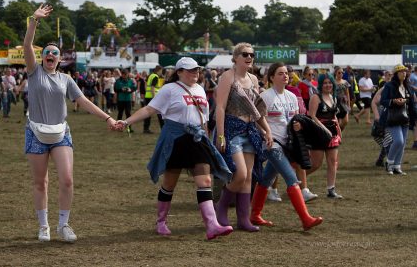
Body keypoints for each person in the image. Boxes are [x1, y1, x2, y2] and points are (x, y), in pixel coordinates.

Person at [24, 4, 116, 243]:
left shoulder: (66, 79)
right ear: (42, 57)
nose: (51, 55)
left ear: (60, 59)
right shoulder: (34, 72)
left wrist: (107, 117)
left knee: (66, 179)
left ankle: (63, 225)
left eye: (55, 53)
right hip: (35, 132)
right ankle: (43, 226)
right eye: (47, 52)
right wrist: (34, 19)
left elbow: (82, 101)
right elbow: (26, 46)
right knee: (40, 182)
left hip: (61, 133)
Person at [115, 57, 233, 240]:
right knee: (169, 183)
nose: (195, 73)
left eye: (197, 70)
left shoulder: (201, 89)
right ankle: (161, 222)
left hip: (197, 139)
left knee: (205, 181)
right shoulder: (169, 89)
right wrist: (126, 121)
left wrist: (208, 137)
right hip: (176, 139)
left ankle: (212, 225)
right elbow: (149, 110)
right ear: (179, 72)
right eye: (190, 70)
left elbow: (204, 117)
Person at [250, 62, 323, 231]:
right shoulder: (265, 96)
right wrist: (265, 134)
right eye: (281, 73)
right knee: (291, 178)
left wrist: (298, 125)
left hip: (287, 144)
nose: (286, 76)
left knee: (266, 179)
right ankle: (306, 219)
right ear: (271, 77)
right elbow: (256, 120)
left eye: (286, 73)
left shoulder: (291, 96)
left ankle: (254, 215)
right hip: (271, 144)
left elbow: (296, 119)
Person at [214, 43, 273, 232]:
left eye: (252, 55)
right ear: (236, 57)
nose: (249, 57)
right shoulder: (227, 77)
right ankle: (221, 207)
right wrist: (221, 135)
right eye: (245, 54)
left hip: (250, 130)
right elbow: (220, 108)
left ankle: (243, 219)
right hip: (232, 129)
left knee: (248, 179)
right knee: (240, 174)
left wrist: (267, 131)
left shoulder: (253, 79)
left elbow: (256, 111)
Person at [307, 73, 343, 199]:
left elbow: (334, 116)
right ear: (321, 85)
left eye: (330, 83)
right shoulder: (316, 98)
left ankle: (331, 190)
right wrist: (323, 129)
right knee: (316, 164)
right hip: (318, 133)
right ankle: (296, 180)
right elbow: (311, 116)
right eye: (325, 83)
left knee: (333, 162)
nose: (328, 85)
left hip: (332, 134)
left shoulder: (334, 97)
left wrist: (338, 130)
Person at [380, 64, 415, 175]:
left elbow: (411, 103)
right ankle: (389, 163)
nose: (404, 73)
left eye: (405, 72)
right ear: (396, 74)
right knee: (398, 141)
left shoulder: (408, 86)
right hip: (392, 117)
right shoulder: (389, 86)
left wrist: (414, 116)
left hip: (405, 118)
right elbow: (383, 101)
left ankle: (397, 166)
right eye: (401, 72)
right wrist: (394, 101)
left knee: (403, 143)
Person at [143, 65, 164, 133]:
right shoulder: (155, 76)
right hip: (153, 97)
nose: (161, 72)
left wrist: (147, 91)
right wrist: (154, 97)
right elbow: (152, 87)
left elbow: (145, 83)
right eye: (161, 71)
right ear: (158, 70)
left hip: (147, 96)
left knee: (147, 113)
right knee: (160, 113)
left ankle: (146, 128)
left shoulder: (150, 75)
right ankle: (163, 129)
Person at [334, 66, 351, 131]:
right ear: (335, 73)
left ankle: (339, 132)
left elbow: (347, 94)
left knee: (346, 121)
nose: (341, 74)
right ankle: (337, 134)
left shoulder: (345, 82)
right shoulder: (333, 82)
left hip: (344, 104)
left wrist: (349, 105)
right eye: (339, 73)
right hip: (336, 104)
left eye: (342, 73)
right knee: (337, 122)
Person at [407, 66, 417, 150]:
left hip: (412, 102)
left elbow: (411, 90)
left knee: (414, 124)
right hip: (409, 103)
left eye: (409, 71)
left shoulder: (410, 78)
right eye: (408, 71)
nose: (409, 73)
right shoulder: (412, 78)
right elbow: (411, 88)